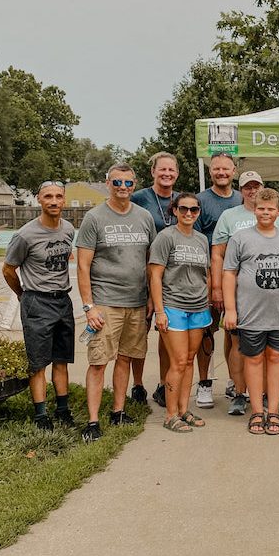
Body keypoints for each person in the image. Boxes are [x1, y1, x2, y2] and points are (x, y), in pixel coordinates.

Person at [75, 163, 156, 443]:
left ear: (135, 185)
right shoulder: (94, 218)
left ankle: (118, 411)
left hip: (135, 302)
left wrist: (149, 299)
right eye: (117, 183)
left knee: (125, 358)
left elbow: (149, 262)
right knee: (99, 361)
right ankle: (93, 420)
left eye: (129, 183)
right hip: (105, 302)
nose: (123, 188)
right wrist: (89, 306)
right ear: (107, 183)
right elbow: (83, 266)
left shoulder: (144, 217)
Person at [222, 187, 279, 436]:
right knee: (254, 358)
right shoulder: (240, 238)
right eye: (261, 208)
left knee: (276, 357)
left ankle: (274, 411)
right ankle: (257, 410)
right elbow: (229, 273)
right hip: (250, 313)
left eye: (271, 209)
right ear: (254, 208)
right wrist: (230, 309)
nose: (265, 213)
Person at [211, 171, 279, 415]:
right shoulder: (229, 216)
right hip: (240, 296)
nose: (252, 190)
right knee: (239, 346)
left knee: (270, 351)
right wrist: (217, 289)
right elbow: (218, 254)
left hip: (272, 299)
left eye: (256, 185)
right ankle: (239, 392)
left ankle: (266, 394)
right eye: (247, 186)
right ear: (241, 189)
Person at [2, 180, 76, 430]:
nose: (53, 201)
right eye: (48, 197)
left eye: (58, 196)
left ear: (64, 199)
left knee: (61, 359)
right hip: (37, 301)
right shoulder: (25, 235)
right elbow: (8, 269)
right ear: (39, 199)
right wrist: (23, 294)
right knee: (38, 362)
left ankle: (63, 409)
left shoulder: (68, 229)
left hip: (62, 300)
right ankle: (41, 415)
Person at [149, 193, 211, 432]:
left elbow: (204, 273)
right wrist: (160, 311)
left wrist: (205, 300)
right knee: (177, 361)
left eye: (193, 210)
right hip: (173, 306)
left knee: (189, 360)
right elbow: (155, 275)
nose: (188, 214)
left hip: (198, 307)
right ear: (174, 210)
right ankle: (170, 414)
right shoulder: (166, 237)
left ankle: (184, 409)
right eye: (183, 209)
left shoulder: (201, 240)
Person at [192, 151, 242, 409]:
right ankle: (205, 383)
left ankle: (235, 382)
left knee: (234, 334)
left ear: (234, 170)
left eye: (226, 169)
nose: (221, 173)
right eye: (216, 169)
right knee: (206, 332)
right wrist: (213, 284)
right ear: (210, 171)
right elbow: (199, 243)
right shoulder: (200, 201)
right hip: (207, 276)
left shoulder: (243, 199)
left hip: (239, 280)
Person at [130, 151, 180, 407]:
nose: (167, 174)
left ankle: (163, 384)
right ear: (153, 172)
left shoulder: (181, 201)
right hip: (141, 274)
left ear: (177, 174)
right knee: (139, 334)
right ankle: (137, 384)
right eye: (162, 170)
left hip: (171, 279)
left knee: (166, 333)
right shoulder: (139, 199)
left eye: (171, 170)